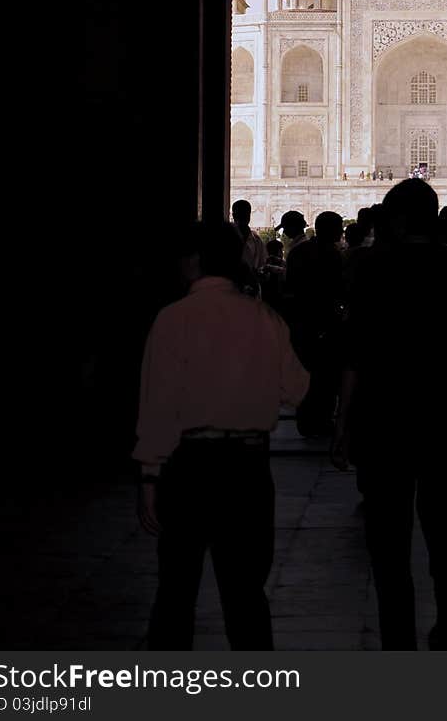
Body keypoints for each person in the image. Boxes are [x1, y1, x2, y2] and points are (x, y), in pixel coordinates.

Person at [331, 178, 447, 650]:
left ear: (398, 220)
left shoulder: (372, 268)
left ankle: (397, 641)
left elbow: (356, 356)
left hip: (384, 421)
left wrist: (342, 424)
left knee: (387, 541)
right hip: (441, 420)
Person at [134, 220, 309, 649]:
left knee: (175, 594)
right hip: (247, 468)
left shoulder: (174, 318)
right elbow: (298, 389)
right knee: (246, 595)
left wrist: (150, 475)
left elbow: (158, 404)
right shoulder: (263, 318)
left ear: (193, 262)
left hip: (188, 466)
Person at [283, 211, 346, 438]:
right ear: (330, 230)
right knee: (325, 377)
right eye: (338, 227)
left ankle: (307, 419)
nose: (341, 232)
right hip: (325, 322)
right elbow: (339, 290)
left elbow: (289, 287)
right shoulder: (333, 255)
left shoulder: (299, 252)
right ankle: (320, 420)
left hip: (302, 322)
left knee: (307, 373)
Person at [231, 199, 267, 272]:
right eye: (240, 214)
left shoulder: (256, 240)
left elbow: (262, 263)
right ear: (234, 215)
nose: (244, 217)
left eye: (246, 214)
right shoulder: (226, 236)